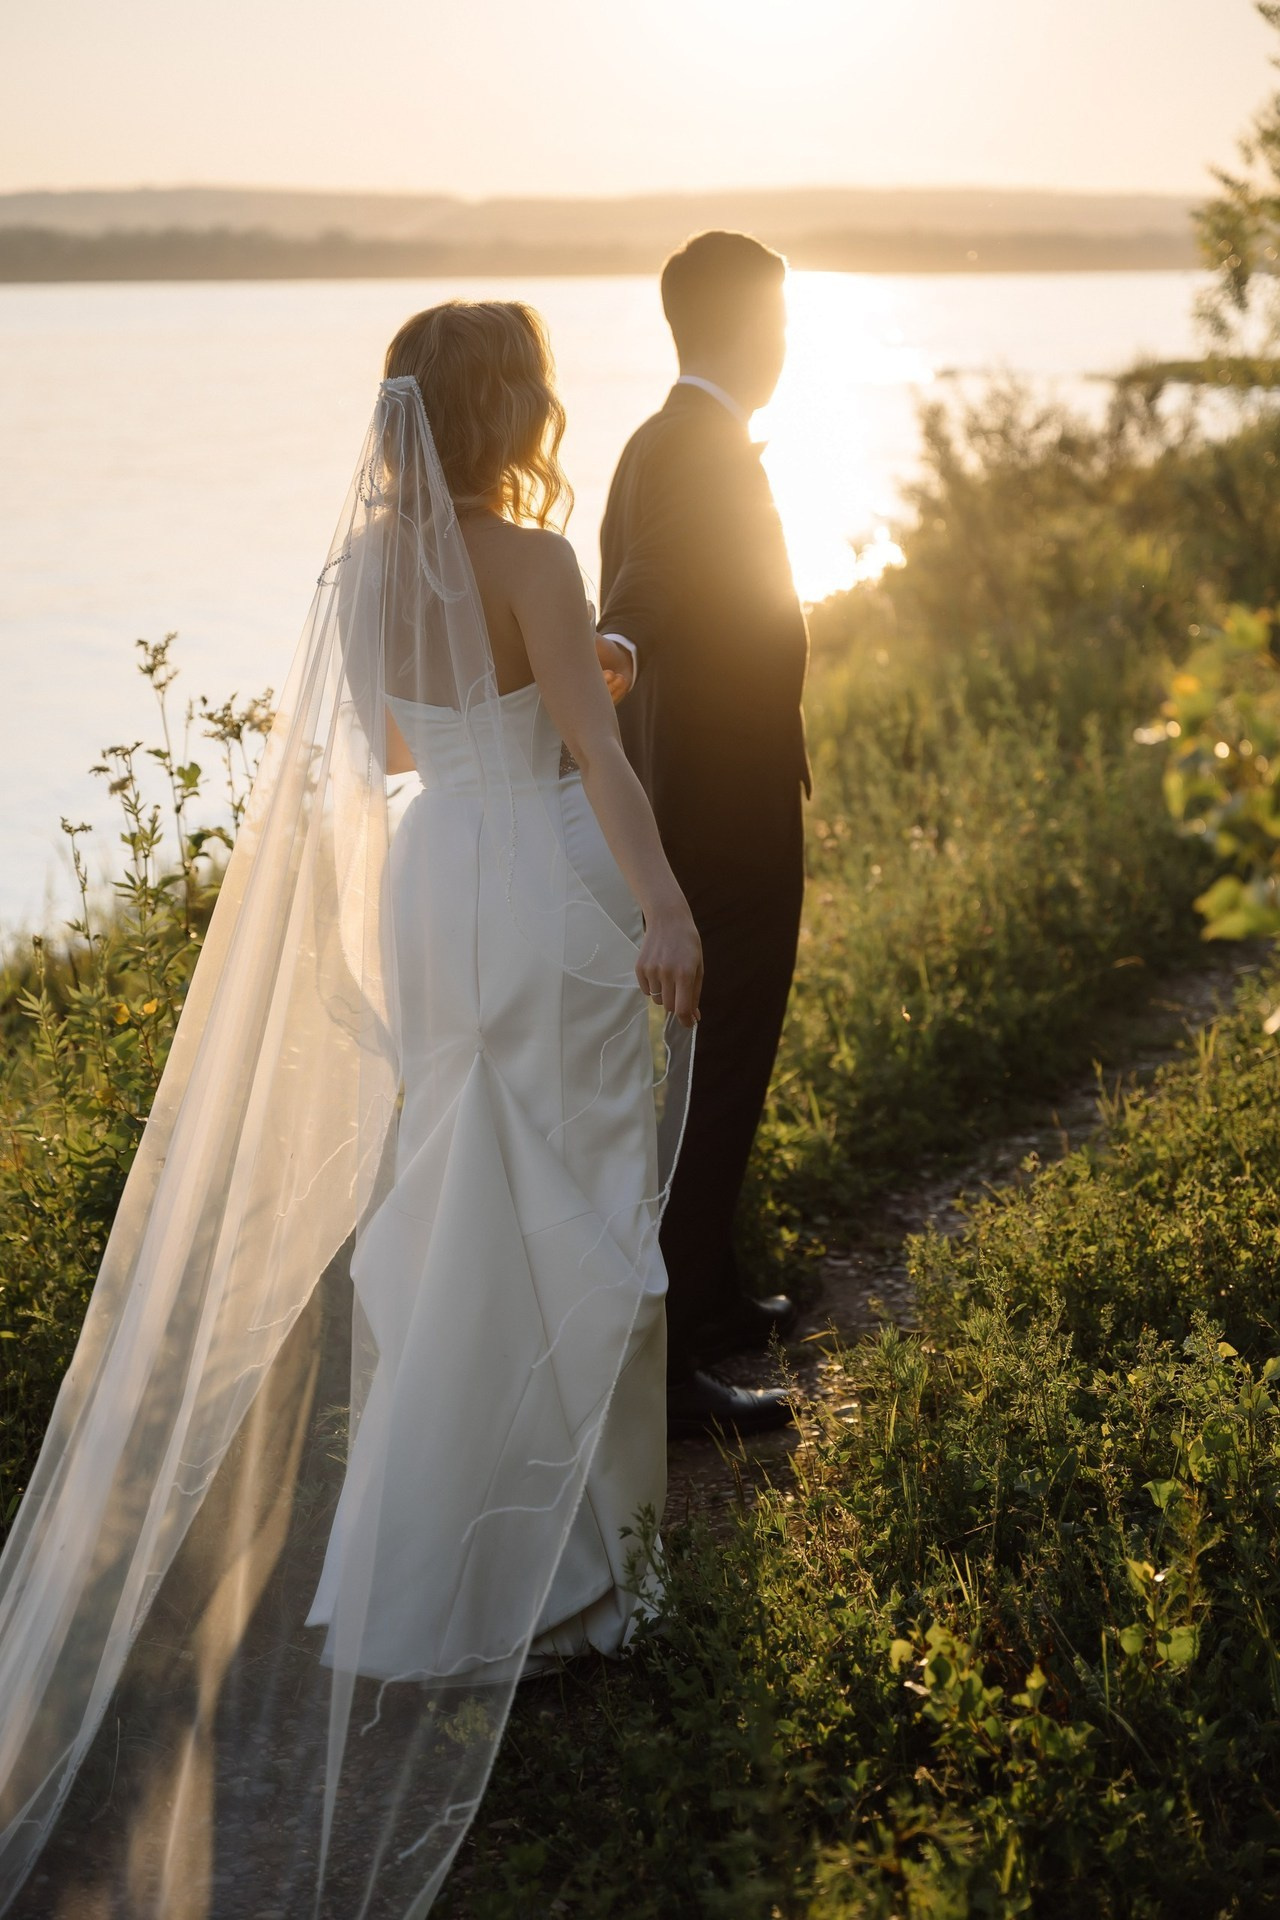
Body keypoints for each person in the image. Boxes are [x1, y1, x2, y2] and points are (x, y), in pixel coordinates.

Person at [0, 302, 701, 1919]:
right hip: (537, 877)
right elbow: (590, 758)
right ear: (501, 403)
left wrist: (543, 689)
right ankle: (578, 1581)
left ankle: (422, 1588)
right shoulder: (529, 548)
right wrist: (662, 904)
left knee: (458, 1203)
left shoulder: (356, 573)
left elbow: (398, 746)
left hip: (431, 885)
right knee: (571, 1208)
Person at [598, 230, 811, 1439]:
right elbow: (652, 586)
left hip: (691, 801)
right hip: (721, 822)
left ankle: (714, 1297)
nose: (786, 344)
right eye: (778, 323)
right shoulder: (693, 449)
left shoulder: (652, 438)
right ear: (741, 329)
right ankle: (673, 1375)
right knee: (719, 1077)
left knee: (701, 1072)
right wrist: (617, 645)